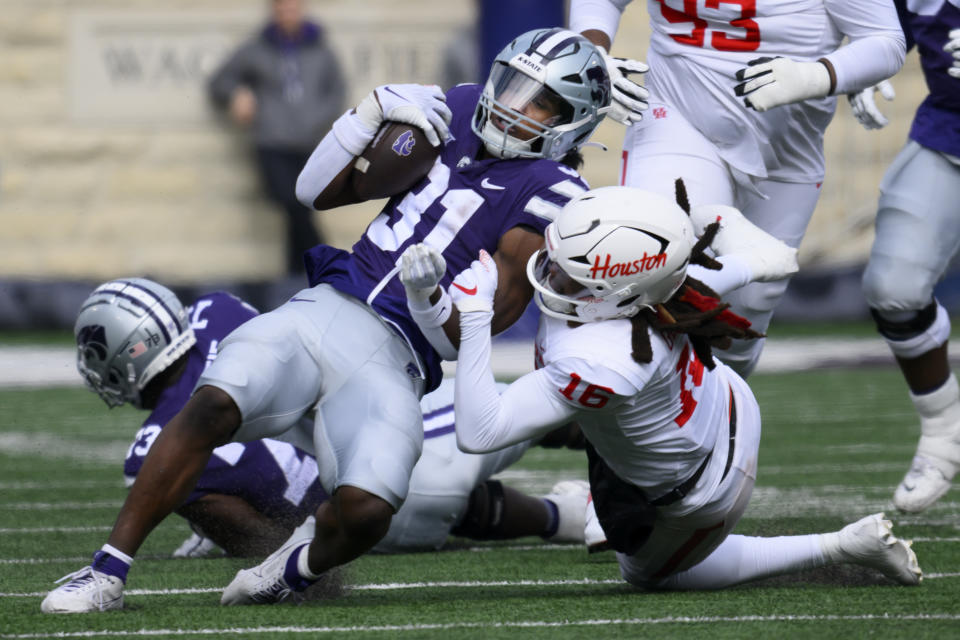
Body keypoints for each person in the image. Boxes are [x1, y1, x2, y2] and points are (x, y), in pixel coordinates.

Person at [40, 27, 612, 612]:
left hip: (400, 358)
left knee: (372, 509)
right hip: (329, 306)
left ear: (573, 121)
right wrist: (367, 112)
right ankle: (105, 573)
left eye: (539, 101)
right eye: (513, 86)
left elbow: (475, 333)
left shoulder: (557, 196)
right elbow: (313, 191)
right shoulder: (460, 107)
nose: (514, 107)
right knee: (212, 402)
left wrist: (425, 298)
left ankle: (290, 566)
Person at [425, 184, 921, 590]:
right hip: (722, 405)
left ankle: (844, 544)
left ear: (612, 292)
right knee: (589, 419)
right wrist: (753, 257)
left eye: (569, 274)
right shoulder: (658, 286)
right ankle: (601, 496)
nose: (551, 273)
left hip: (706, 489)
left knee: (645, 574)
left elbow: (480, 432)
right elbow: (727, 269)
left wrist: (473, 319)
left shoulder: (604, 359)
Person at [568, 0, 907, 378]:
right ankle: (601, 409)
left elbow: (885, 40)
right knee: (655, 262)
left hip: (787, 146)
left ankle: (719, 415)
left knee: (745, 316)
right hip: (679, 114)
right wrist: (593, 51)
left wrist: (818, 75)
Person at [846, 0, 960, 513]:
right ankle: (945, 432)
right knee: (894, 288)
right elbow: (882, 29)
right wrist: (861, 64)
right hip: (951, 133)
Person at [208, 0, 346, 276]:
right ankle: (324, 261)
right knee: (290, 202)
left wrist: (316, 119)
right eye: (281, 8)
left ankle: (296, 271)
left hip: (309, 143)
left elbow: (336, 91)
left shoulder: (321, 50)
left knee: (300, 207)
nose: (287, 13)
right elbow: (220, 81)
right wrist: (236, 95)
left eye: (292, 7)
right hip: (271, 142)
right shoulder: (256, 49)